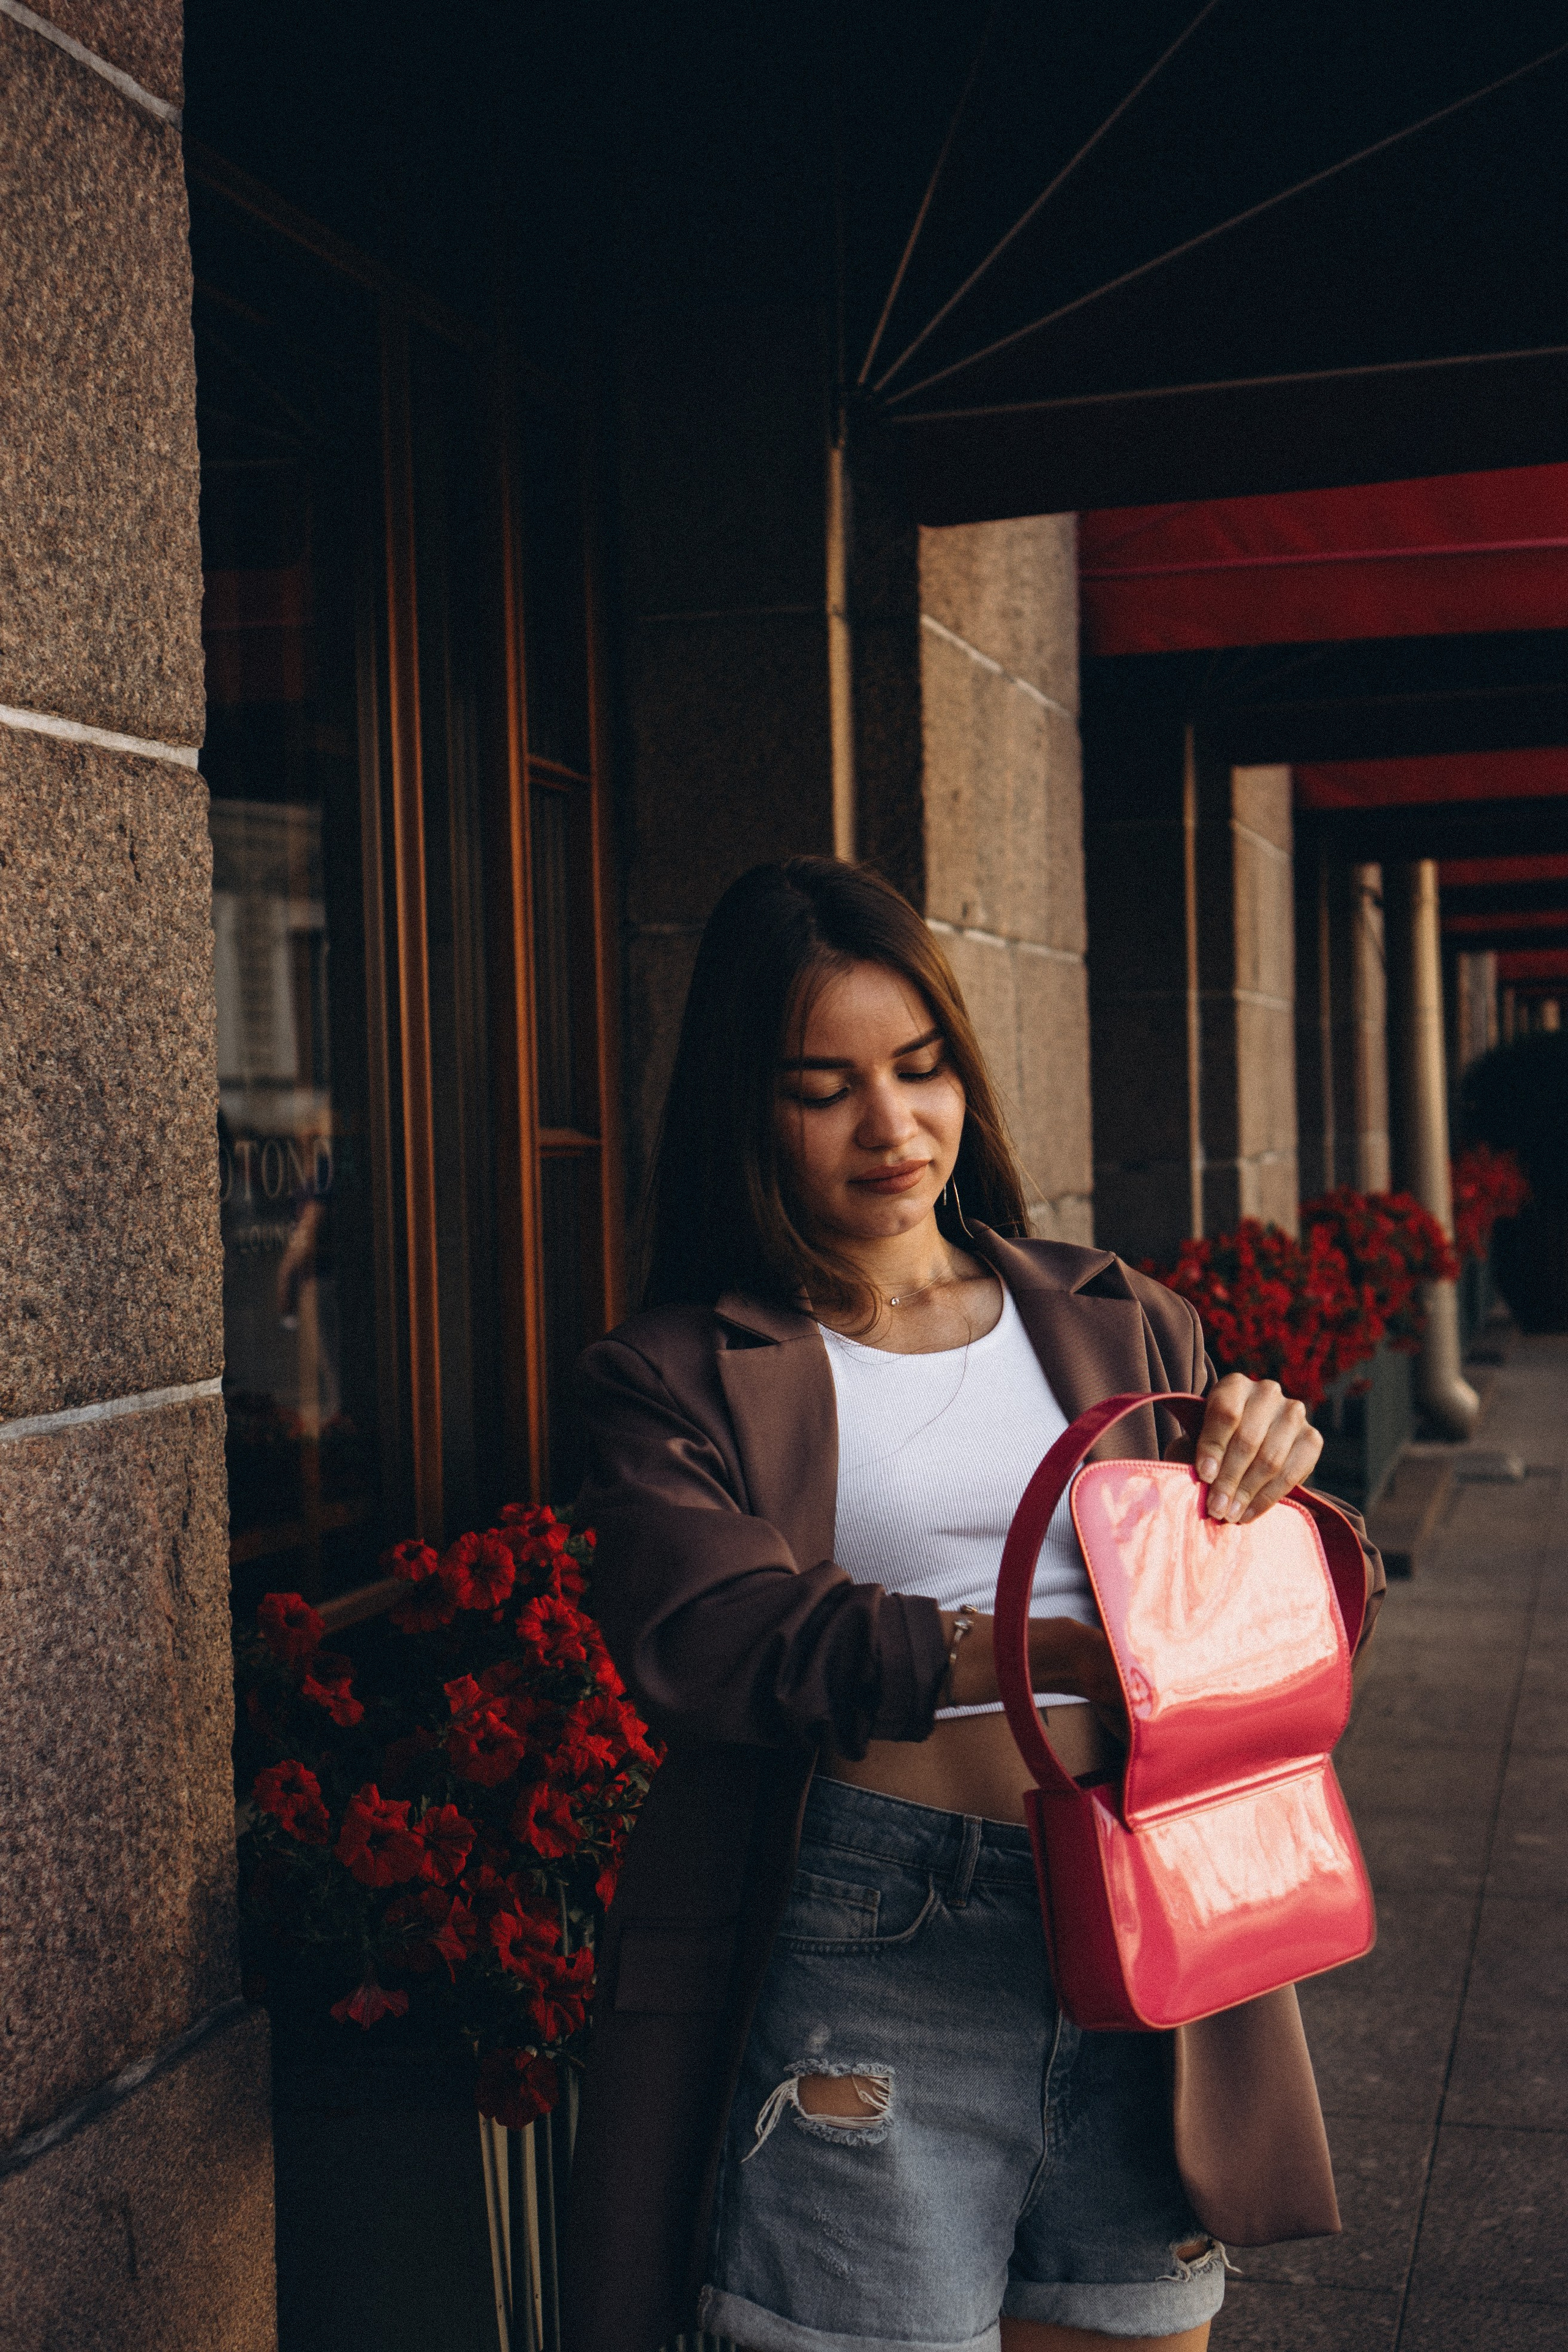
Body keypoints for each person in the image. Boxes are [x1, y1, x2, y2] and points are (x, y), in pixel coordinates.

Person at [562, 858, 1383, 2352]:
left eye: (918, 1067)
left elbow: (1287, 1625)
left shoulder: (1117, 1316)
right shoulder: (672, 1373)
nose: (891, 1126)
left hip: (1142, 1929)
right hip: (870, 1930)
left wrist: (1281, 1492)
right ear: (747, 1109)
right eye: (824, 1088)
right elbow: (724, 1640)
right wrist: (1056, 1652)